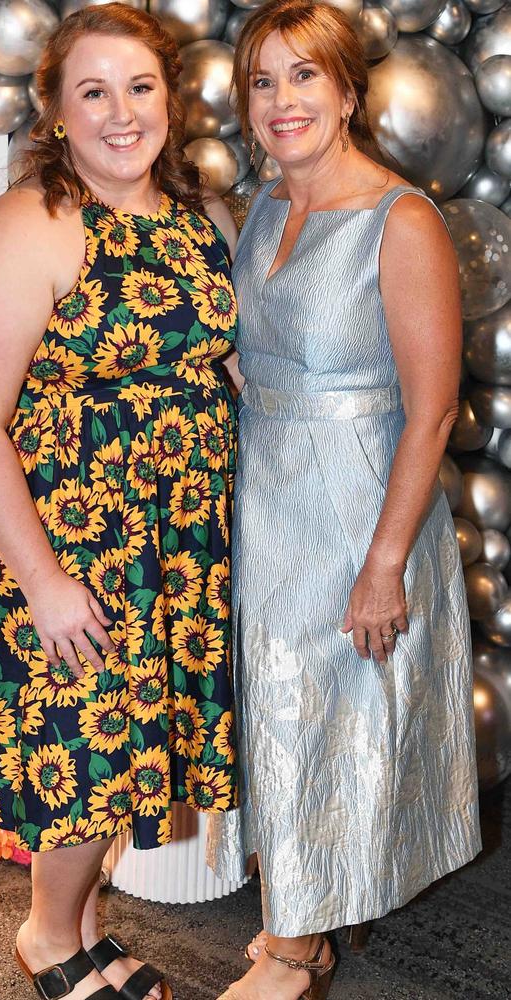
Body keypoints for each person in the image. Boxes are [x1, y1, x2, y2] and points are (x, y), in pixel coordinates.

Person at [0, 5, 240, 999]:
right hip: (60, 542)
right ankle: (48, 935)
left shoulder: (198, 219)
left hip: (166, 546)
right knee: (88, 765)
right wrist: (45, 582)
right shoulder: (29, 224)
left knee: (132, 760)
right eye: (91, 91)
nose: (119, 112)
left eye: (138, 86)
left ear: (169, 100)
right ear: (56, 110)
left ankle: (84, 928)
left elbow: (214, 365)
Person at [208, 2, 482, 998]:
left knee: (326, 707)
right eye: (263, 81)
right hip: (265, 486)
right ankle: (305, 915)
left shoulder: (397, 219)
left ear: (347, 91)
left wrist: (381, 564)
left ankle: (294, 941)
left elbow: (431, 405)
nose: (282, 101)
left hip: (359, 499)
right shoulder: (266, 205)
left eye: (304, 77)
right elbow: (258, 353)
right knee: (278, 704)